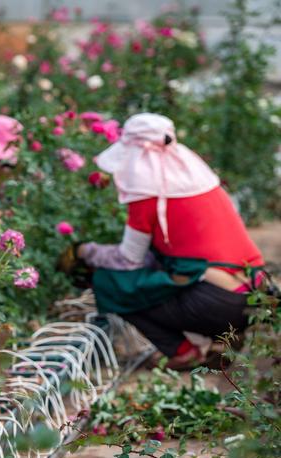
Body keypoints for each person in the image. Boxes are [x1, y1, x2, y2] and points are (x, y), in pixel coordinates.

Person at [73, 113, 266, 368]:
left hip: (217, 303)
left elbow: (129, 260)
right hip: (257, 295)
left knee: (110, 282)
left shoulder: (147, 194)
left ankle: (183, 351)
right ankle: (226, 337)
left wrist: (87, 252)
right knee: (163, 273)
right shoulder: (201, 183)